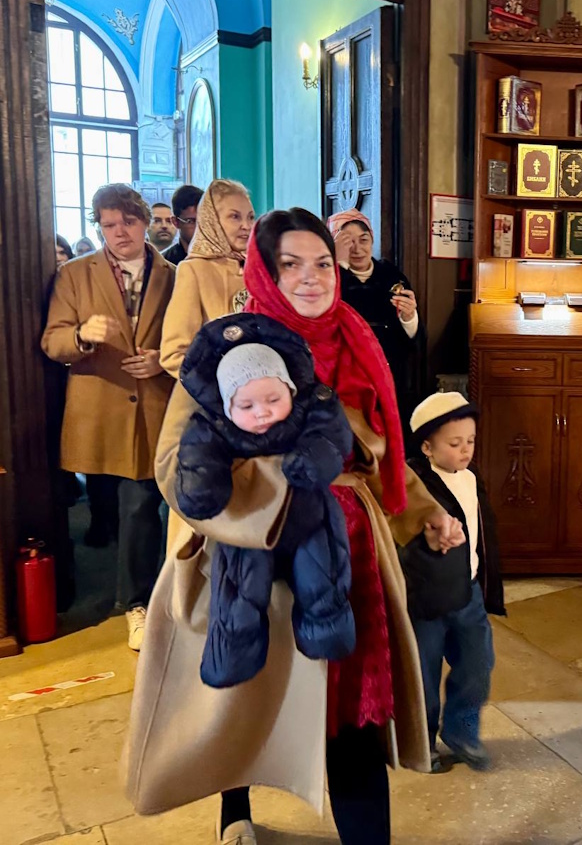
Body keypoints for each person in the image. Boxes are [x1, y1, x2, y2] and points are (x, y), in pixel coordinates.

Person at [150, 208, 466, 845]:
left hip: (350, 555)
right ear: (263, 272)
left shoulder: (355, 337)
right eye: (290, 264)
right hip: (252, 555)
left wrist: (426, 512)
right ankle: (235, 808)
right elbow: (172, 462)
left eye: (322, 262)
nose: (311, 277)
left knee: (350, 714)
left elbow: (377, 454)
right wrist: (274, 497)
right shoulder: (229, 346)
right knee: (244, 698)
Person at [175, 315, 355, 688]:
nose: (263, 412)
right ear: (227, 407)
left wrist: (314, 461)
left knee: (324, 577)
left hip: (308, 517)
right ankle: (231, 658)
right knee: (238, 591)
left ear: (291, 390)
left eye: (274, 399)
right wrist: (202, 488)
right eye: (246, 405)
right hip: (249, 525)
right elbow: (197, 456)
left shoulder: (312, 405)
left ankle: (327, 636)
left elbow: (332, 435)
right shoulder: (212, 424)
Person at [42, 184, 175, 651]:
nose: (120, 232)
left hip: (157, 407)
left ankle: (142, 602)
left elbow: (189, 336)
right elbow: (52, 340)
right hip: (100, 407)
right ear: (98, 227)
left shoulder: (173, 274)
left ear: (146, 222)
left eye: (129, 222)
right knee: (111, 506)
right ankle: (129, 599)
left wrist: (162, 360)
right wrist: (81, 334)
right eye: (109, 224)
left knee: (147, 504)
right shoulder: (75, 274)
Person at [399, 392, 505, 773]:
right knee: (422, 675)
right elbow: (398, 537)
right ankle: (420, 741)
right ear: (427, 447)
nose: (465, 450)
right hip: (425, 599)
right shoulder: (411, 483)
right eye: (455, 443)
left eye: (470, 441)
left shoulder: (471, 479)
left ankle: (461, 732)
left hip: (467, 593)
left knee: (478, 661)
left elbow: (481, 534)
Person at [326, 209, 424, 439]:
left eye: (364, 240)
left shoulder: (391, 276)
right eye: (347, 242)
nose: (357, 249)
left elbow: (412, 337)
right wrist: (338, 265)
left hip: (390, 375)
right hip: (346, 378)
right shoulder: (328, 277)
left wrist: (409, 317)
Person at [160, 179, 255, 377]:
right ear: (212, 220)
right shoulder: (194, 270)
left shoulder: (260, 268)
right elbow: (174, 354)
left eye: (250, 217)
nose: (246, 226)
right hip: (214, 391)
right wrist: (222, 383)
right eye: (235, 217)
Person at [162, 184, 204, 266]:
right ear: (175, 222)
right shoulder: (164, 264)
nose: (199, 227)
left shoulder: (220, 259)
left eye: (203, 221)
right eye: (191, 221)